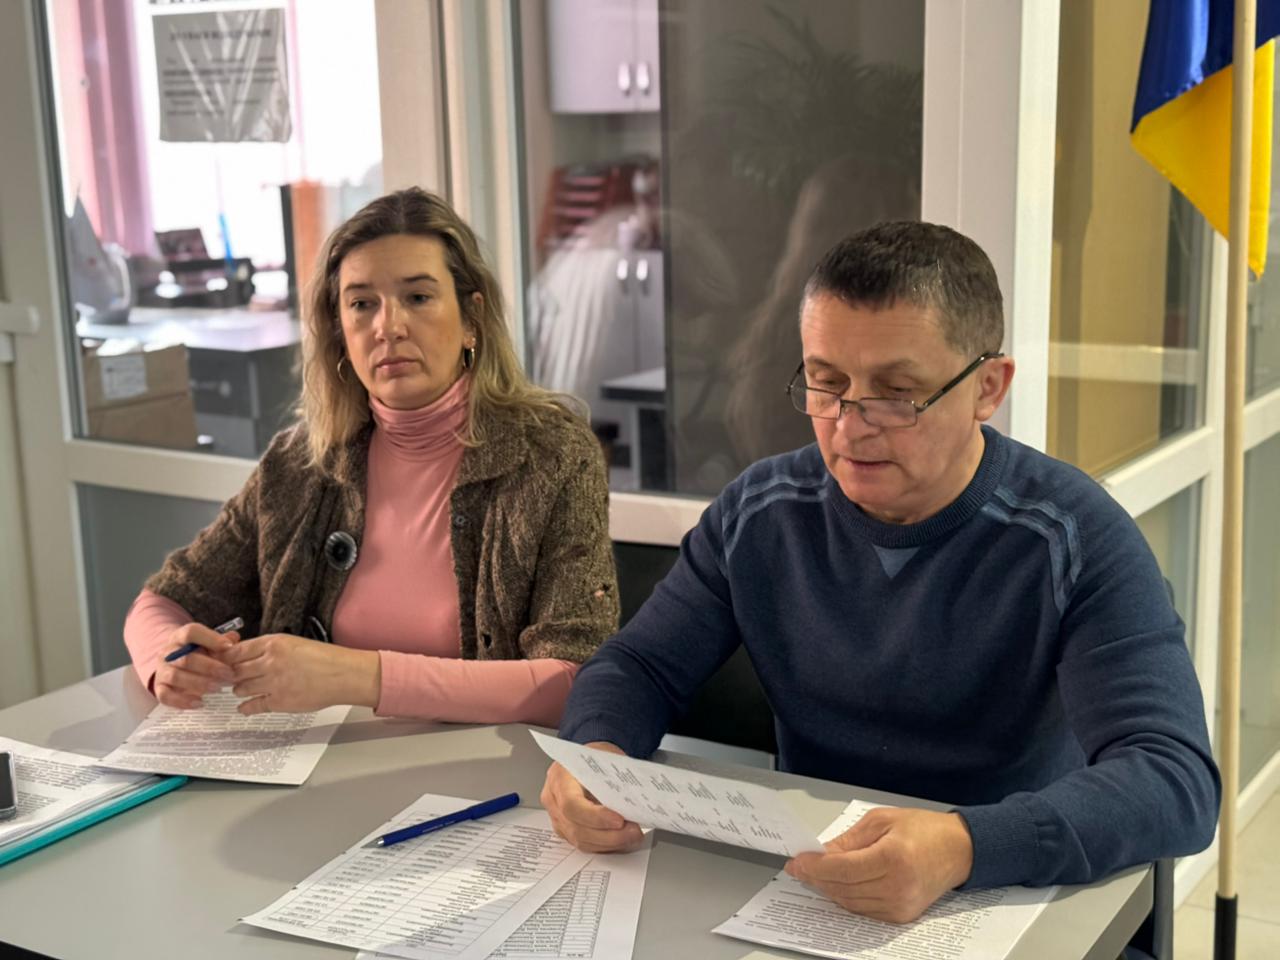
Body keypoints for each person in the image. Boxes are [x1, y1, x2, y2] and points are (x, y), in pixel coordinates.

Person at [541, 221, 1219, 923]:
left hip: (1001, 895)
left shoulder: (1074, 535)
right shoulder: (761, 512)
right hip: (811, 886)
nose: (849, 426)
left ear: (988, 387)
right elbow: (640, 667)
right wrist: (595, 753)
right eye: (826, 383)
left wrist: (963, 845)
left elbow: (1173, 779)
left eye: (897, 393)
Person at [124, 187, 619, 725]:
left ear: (471, 318)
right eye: (362, 304)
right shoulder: (299, 463)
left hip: (485, 771)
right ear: (340, 331)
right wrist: (164, 662)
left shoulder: (551, 455)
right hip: (315, 765)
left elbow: (574, 679)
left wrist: (356, 676)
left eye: (418, 297)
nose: (389, 327)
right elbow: (161, 601)